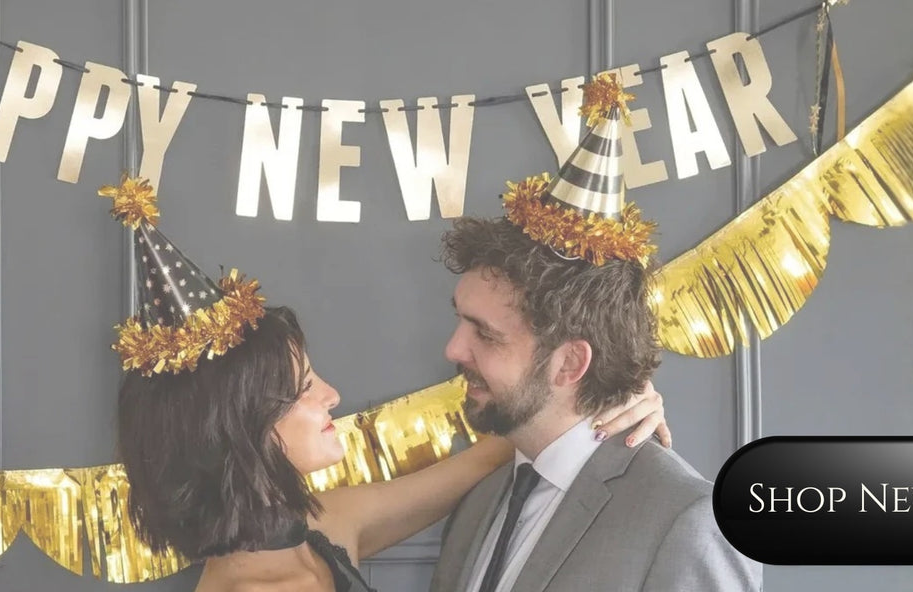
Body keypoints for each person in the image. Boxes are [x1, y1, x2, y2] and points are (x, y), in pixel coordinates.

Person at [100, 175, 673, 592]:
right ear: (241, 429)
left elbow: (498, 451)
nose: (331, 396)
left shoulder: (324, 526)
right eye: (301, 388)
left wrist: (607, 395)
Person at [427, 73, 762, 592]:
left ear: (570, 363)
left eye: (486, 334)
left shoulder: (689, 521)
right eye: (459, 319)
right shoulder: (478, 504)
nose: (453, 349)